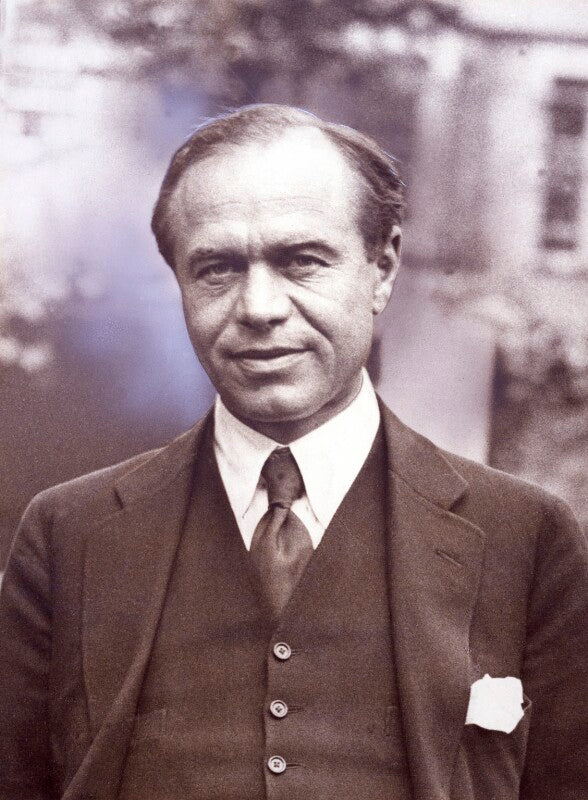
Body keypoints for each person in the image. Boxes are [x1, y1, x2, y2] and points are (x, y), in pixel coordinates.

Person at [0, 104, 586, 800]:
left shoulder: (526, 537)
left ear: (382, 268)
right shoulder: (67, 534)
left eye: (301, 261)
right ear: (179, 282)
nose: (259, 307)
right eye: (217, 268)